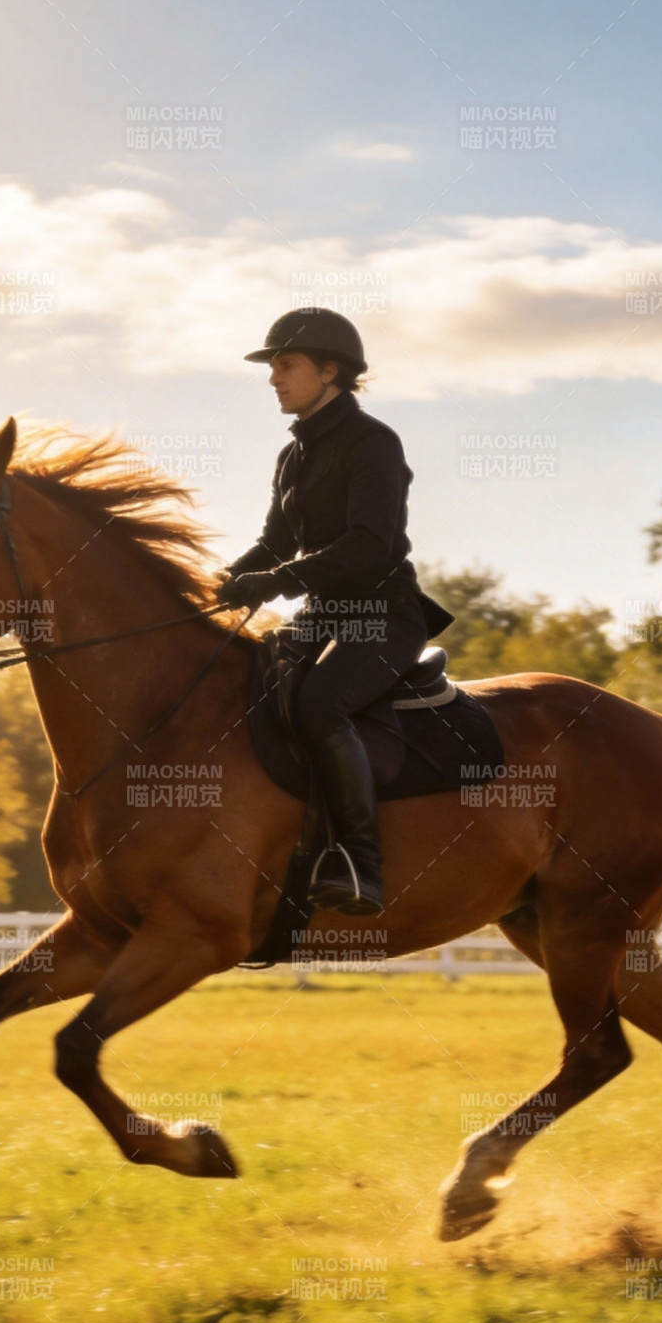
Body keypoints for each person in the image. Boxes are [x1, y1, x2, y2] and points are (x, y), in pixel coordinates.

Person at [215, 308, 455, 917]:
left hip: (384, 617)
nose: (273, 377)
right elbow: (274, 544)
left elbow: (368, 545)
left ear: (331, 371)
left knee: (321, 703)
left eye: (286, 364)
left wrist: (276, 581)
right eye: (272, 366)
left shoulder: (374, 443)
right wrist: (219, 582)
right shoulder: (291, 456)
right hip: (322, 617)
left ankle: (358, 861)